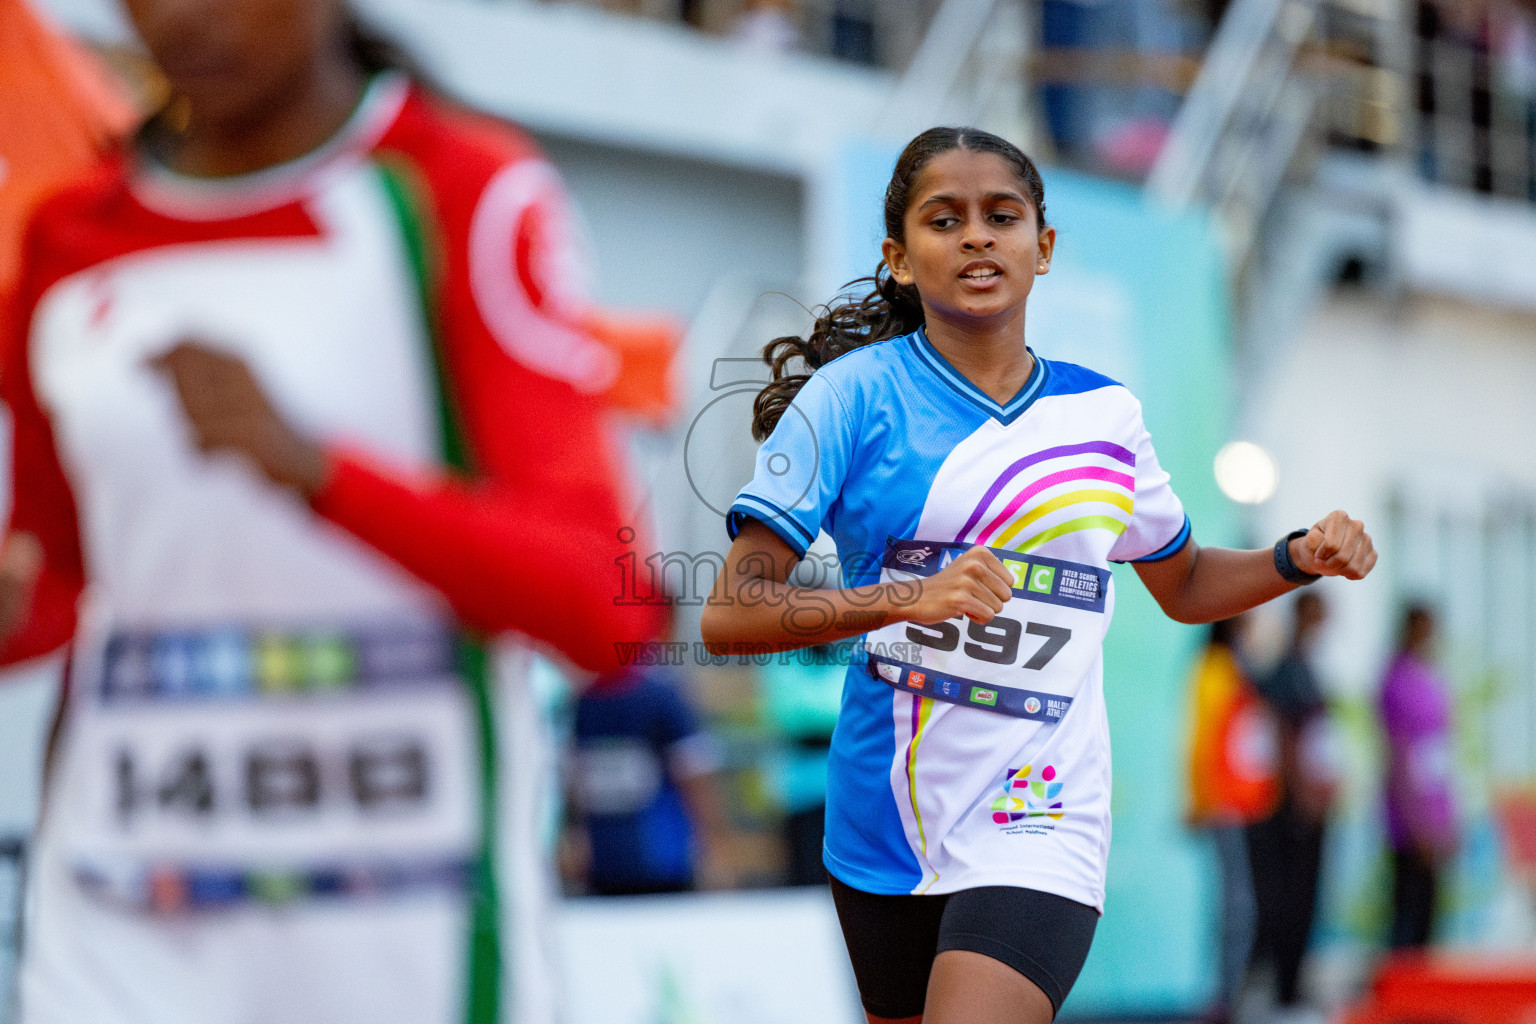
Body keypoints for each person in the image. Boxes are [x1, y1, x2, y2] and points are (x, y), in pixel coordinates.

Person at [0, 1, 661, 1021]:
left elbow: (606, 605)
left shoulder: (456, 192)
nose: (183, 17)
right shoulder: (70, 235)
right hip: (120, 919)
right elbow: (55, 589)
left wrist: (315, 472)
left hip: (402, 929)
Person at [701, 125, 1377, 1024]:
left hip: (1043, 816)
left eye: (1002, 216)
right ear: (900, 259)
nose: (978, 237)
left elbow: (1184, 587)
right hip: (883, 824)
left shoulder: (1104, 415)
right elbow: (731, 615)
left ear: (1042, 248)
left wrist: (1294, 558)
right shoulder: (849, 399)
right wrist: (906, 597)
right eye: (946, 220)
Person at [1183, 615, 1279, 1024]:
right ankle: (1223, 998)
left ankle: (1229, 994)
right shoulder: (1216, 669)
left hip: (1243, 802)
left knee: (1237, 903)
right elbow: (1202, 740)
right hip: (1225, 803)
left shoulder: (1234, 666)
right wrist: (1200, 799)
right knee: (1237, 906)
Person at [1247, 591, 1338, 1022]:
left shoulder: (1307, 665)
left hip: (1309, 798)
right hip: (1289, 806)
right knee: (1290, 897)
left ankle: (1292, 984)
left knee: (1306, 896)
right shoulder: (1286, 668)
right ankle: (1282, 989)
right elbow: (1282, 731)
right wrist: (1300, 792)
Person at [565, 664, 727, 896]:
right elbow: (694, 776)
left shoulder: (588, 698)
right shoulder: (661, 694)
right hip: (646, 857)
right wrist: (715, 844)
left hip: (637, 858)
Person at [1377, 603, 1458, 950]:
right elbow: (1400, 755)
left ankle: (1423, 991)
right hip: (1411, 813)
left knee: (1429, 908)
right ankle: (1401, 994)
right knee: (1408, 906)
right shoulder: (1396, 681)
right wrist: (1417, 820)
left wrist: (1447, 816)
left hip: (1436, 804)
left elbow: (1440, 754)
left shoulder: (1431, 678)